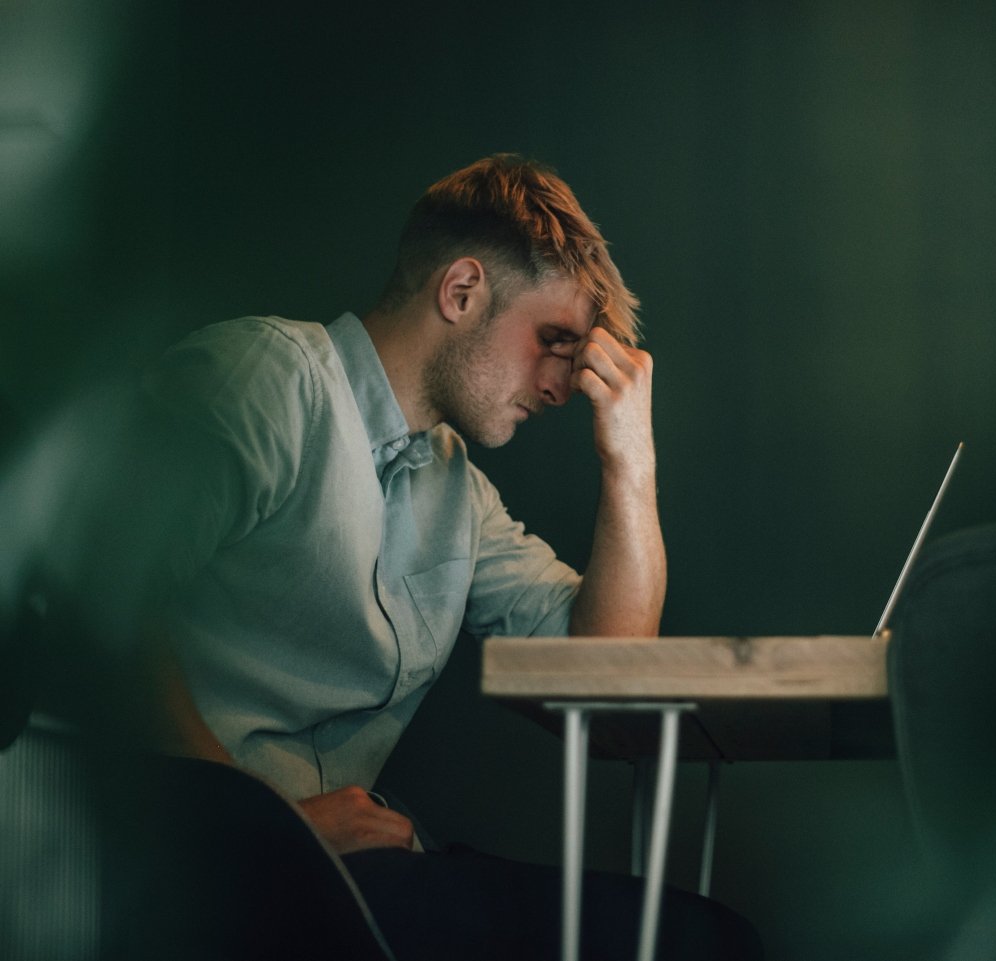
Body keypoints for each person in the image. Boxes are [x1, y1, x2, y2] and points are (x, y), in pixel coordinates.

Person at [135, 154, 760, 960]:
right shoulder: (265, 379)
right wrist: (272, 828)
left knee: (701, 935)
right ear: (461, 292)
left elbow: (606, 676)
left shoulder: (456, 489)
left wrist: (631, 461)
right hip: (211, 870)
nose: (564, 386)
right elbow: (97, 605)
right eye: (554, 340)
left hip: (361, 870)